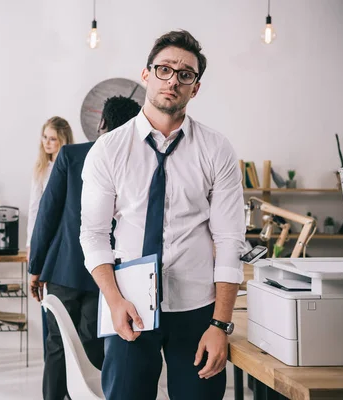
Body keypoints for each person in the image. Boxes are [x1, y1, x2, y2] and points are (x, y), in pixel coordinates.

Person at [80, 30, 245, 400]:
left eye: (185, 74)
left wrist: (220, 323)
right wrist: (113, 298)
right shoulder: (108, 150)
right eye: (165, 69)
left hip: (197, 308)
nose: (173, 79)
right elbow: (92, 234)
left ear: (195, 88)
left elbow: (230, 239)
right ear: (146, 74)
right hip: (129, 304)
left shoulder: (216, 150)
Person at [29, 96, 141, 400]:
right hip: (106, 273)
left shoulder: (71, 155)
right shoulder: (138, 159)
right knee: (93, 343)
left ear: (102, 122)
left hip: (63, 268)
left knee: (57, 344)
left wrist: (35, 268)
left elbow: (47, 214)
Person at [26, 116, 74, 356]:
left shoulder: (71, 165)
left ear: (63, 140)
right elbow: (35, 209)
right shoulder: (40, 170)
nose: (47, 142)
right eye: (45, 137)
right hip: (42, 242)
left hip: (63, 243)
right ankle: (52, 357)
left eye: (52, 138)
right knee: (47, 302)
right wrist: (30, 246)